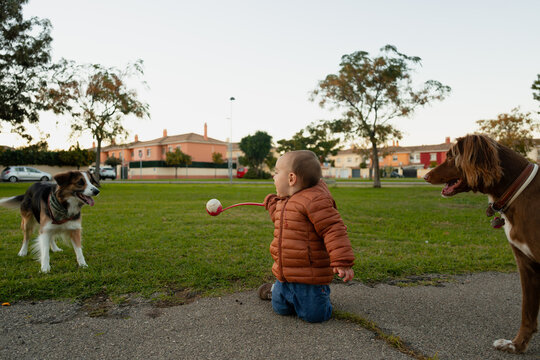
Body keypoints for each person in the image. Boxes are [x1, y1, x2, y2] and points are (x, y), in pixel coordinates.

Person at [258, 150, 355, 323]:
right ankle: (277, 291)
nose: (273, 176)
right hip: (285, 273)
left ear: (291, 179)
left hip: (310, 277)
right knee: (280, 308)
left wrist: (342, 261)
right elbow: (280, 219)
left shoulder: (315, 201)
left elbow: (333, 229)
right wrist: (272, 204)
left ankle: (320, 296)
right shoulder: (285, 201)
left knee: (314, 316)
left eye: (276, 172)